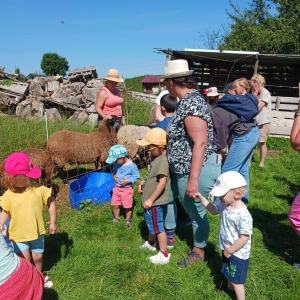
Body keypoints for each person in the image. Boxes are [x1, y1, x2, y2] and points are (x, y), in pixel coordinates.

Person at [160, 59, 221, 268]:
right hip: (185, 168)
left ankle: (199, 250)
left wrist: (193, 180)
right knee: (191, 208)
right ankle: (198, 243)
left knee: (195, 209)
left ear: (171, 82)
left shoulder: (192, 102)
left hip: (194, 169)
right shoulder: (187, 101)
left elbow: (200, 141)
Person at [0, 152, 57, 288]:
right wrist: (1, 222)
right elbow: (5, 211)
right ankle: (27, 280)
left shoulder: (39, 190)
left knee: (37, 257)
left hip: (36, 232)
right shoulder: (8, 195)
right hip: (18, 234)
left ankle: (39, 277)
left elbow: (51, 203)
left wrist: (53, 221)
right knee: (24, 260)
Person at [196, 171, 252, 300]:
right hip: (227, 248)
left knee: (237, 280)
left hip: (237, 253)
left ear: (237, 194)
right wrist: (201, 198)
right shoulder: (226, 205)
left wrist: (230, 250)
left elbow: (244, 238)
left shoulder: (243, 216)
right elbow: (214, 210)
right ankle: (229, 289)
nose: (219, 196)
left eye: (222, 194)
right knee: (229, 271)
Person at [214, 78, 260, 203]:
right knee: (243, 170)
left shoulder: (233, 103)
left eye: (234, 88)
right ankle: (243, 200)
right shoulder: (249, 101)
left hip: (244, 136)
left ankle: (220, 203)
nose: (231, 91)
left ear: (242, 88)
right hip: (254, 132)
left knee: (227, 170)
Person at [136, 128, 171, 264]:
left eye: (150, 147)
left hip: (155, 202)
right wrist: (143, 183)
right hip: (149, 201)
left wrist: (151, 200)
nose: (148, 150)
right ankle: (151, 243)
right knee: (151, 223)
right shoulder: (157, 158)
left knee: (158, 227)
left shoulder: (163, 161)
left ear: (160, 148)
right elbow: (151, 174)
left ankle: (164, 254)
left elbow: (162, 183)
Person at [0, 234, 45, 299]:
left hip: (26, 276)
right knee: (26, 258)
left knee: (37, 257)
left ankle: (39, 279)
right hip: (25, 273)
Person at [105, 145, 140, 229]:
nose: (115, 162)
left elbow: (136, 176)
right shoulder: (117, 164)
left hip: (126, 190)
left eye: (116, 160)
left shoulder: (132, 166)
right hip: (117, 189)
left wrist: (128, 181)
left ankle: (128, 220)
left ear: (123, 157)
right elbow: (114, 171)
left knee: (127, 206)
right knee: (115, 205)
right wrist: (114, 176)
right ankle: (116, 218)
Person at [251, 74, 272, 167]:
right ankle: (248, 162)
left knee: (262, 142)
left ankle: (261, 163)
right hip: (254, 121)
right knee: (251, 142)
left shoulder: (265, 93)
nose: (252, 87)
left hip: (263, 123)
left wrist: (254, 96)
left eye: (253, 85)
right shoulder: (255, 93)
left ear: (257, 83)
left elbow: (258, 107)